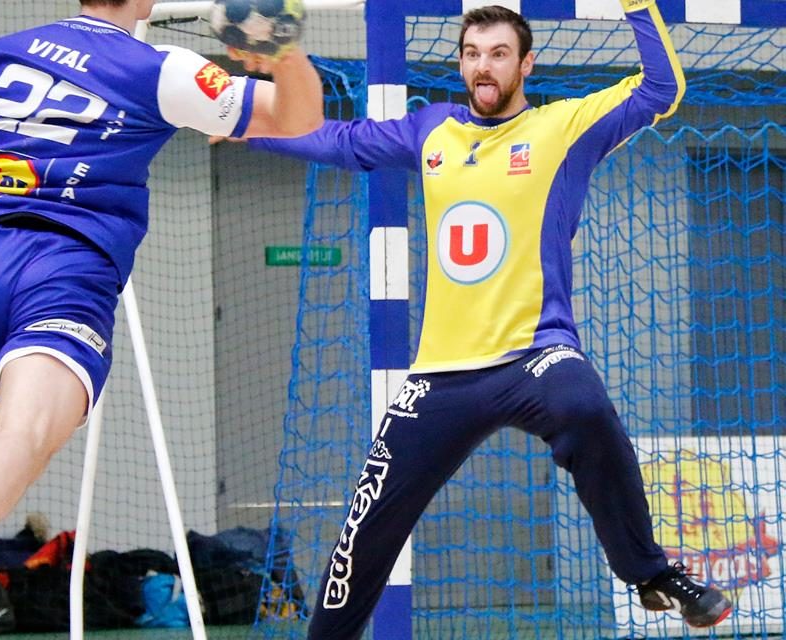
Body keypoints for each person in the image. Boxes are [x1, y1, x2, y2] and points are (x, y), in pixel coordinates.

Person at [231, 1, 733, 637]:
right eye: (472, 54)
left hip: (534, 354)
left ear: (525, 63)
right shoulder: (433, 130)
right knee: (366, 526)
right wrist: (255, 128)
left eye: (498, 54)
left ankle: (651, 574)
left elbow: (662, 87)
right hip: (442, 374)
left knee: (583, 406)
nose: (483, 67)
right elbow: (341, 141)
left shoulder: (564, 127)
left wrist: (636, 6)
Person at [0, 1, 323, 638]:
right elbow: (297, 118)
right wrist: (283, 49)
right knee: (23, 435)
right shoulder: (159, 69)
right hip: (65, 273)